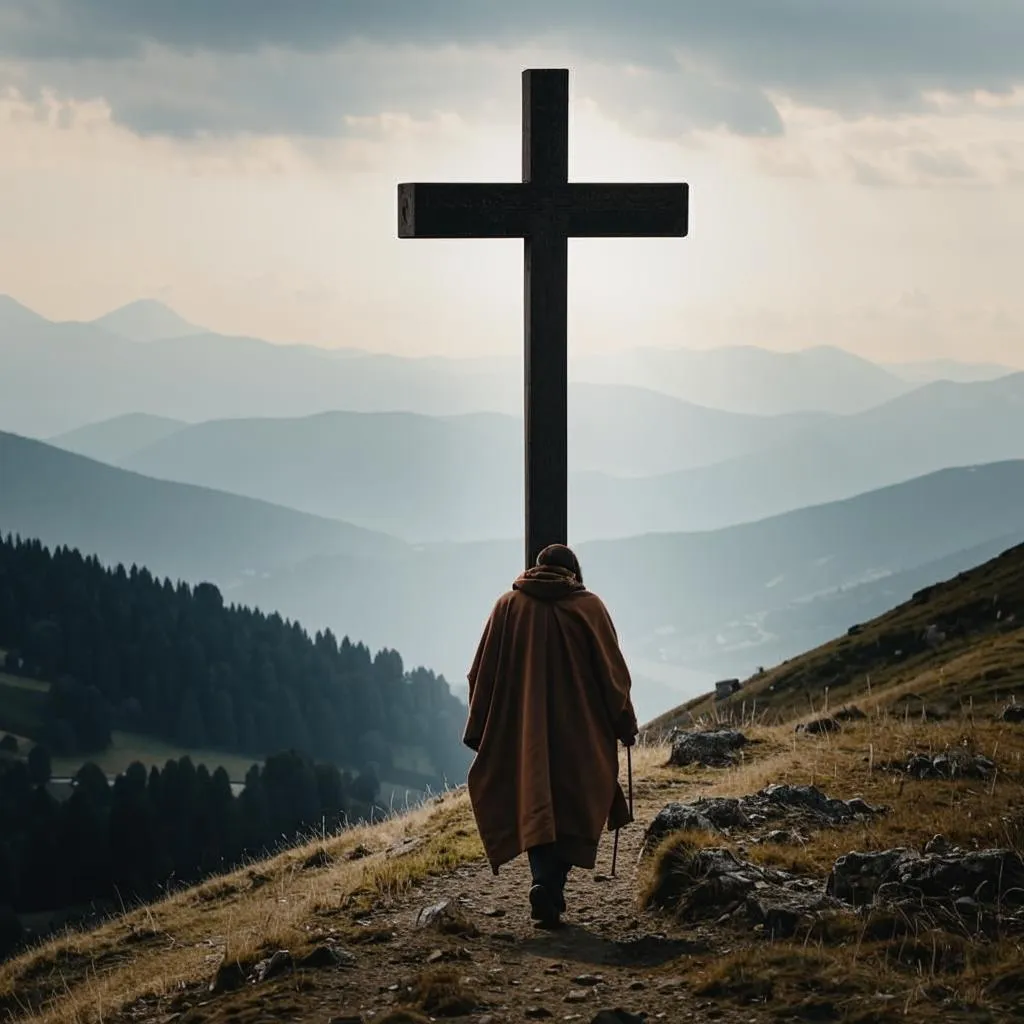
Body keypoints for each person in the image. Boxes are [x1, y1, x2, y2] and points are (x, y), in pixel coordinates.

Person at [463, 543, 639, 928]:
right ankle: (550, 885)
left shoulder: (507, 607)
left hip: (523, 731)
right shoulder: (589, 607)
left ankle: (544, 883)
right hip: (581, 731)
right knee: (575, 802)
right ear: (573, 574)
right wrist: (624, 723)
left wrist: (481, 728)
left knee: (534, 800)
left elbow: (481, 674)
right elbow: (613, 676)